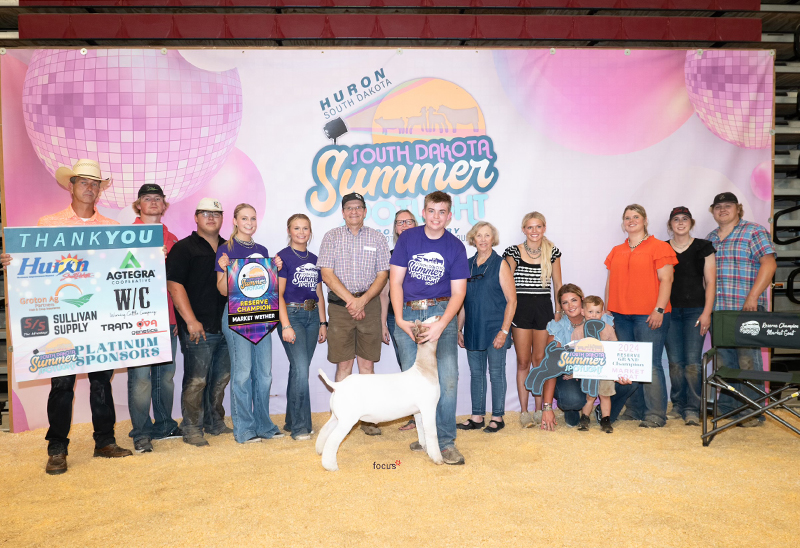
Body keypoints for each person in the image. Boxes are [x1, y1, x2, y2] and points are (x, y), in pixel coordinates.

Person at [39, 160, 132, 474]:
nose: (90, 188)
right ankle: (57, 448)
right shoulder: (48, 224)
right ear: (71, 185)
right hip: (62, 318)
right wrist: (13, 260)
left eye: (95, 183)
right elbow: (33, 265)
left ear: (100, 189)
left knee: (101, 381)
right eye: (84, 182)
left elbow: (124, 267)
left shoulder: (112, 228)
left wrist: (150, 257)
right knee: (62, 384)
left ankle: (105, 442)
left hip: (100, 317)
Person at [390, 191, 469, 465]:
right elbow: (395, 282)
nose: (436, 216)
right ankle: (425, 437)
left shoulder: (456, 247)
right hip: (409, 315)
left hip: (441, 313)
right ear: (423, 213)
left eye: (442, 211)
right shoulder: (408, 239)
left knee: (447, 379)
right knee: (415, 382)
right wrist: (400, 319)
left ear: (449, 216)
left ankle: (445, 442)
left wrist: (441, 325)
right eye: (432, 211)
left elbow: (459, 293)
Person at [318, 192, 390, 436]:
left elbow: (383, 275)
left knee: (367, 364)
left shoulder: (377, 237)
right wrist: (352, 301)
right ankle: (340, 417)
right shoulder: (331, 237)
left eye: (358, 207)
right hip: (340, 308)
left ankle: (369, 418)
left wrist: (362, 301)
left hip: (370, 306)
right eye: (349, 207)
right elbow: (326, 274)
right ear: (342, 212)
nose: (354, 211)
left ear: (365, 211)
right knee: (344, 364)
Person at [215, 203, 284, 443]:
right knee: (242, 374)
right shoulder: (225, 249)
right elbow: (222, 289)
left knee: (264, 374)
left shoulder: (262, 249)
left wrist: (276, 270)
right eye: (244, 218)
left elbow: (267, 287)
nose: (249, 223)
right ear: (235, 221)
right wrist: (225, 269)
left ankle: (264, 425)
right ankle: (244, 429)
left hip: (261, 315)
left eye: (253, 218)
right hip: (236, 316)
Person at [706, 192, 776, 426]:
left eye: (728, 205)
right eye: (718, 206)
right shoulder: (710, 238)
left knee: (748, 361)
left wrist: (753, 296)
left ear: (738, 208)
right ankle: (728, 408)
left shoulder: (753, 231)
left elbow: (769, 263)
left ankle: (752, 411)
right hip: (719, 311)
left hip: (747, 309)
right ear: (713, 211)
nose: (723, 209)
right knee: (725, 362)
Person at [605, 204, 677, 428]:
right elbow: (610, 282)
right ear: (623, 223)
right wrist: (608, 311)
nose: (631, 221)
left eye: (636, 217)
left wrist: (659, 309)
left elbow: (667, 279)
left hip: (649, 315)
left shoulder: (659, 247)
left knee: (651, 364)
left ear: (645, 220)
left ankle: (655, 414)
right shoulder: (616, 250)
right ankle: (634, 409)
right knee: (629, 365)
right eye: (627, 217)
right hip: (621, 315)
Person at [166, 197, 231, 447]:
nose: (211, 217)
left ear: (222, 218)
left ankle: (214, 421)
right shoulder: (183, 248)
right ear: (196, 217)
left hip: (227, 326)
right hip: (197, 326)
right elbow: (174, 285)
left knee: (220, 378)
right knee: (197, 380)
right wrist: (190, 320)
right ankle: (191, 427)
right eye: (205, 213)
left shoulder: (229, 247)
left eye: (216, 213)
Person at [127, 184, 182, 453]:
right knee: (141, 378)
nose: (152, 202)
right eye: (146, 198)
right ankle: (141, 431)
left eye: (157, 198)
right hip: (135, 319)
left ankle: (164, 425)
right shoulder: (124, 236)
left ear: (164, 205)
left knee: (166, 376)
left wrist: (177, 317)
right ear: (138, 205)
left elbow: (177, 281)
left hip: (167, 317)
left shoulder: (172, 239)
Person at [543, 284, 636, 432]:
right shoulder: (558, 327)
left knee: (631, 380)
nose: (570, 306)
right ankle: (573, 408)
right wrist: (547, 407)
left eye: (574, 300)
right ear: (561, 306)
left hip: (601, 370)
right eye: (565, 302)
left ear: (582, 301)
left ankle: (604, 414)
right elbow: (551, 365)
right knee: (573, 400)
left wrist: (619, 371)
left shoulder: (604, 320)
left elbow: (615, 349)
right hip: (571, 375)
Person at [503, 211, 563, 428]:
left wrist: (558, 312)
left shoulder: (552, 252)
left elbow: (558, 284)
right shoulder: (513, 252)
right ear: (524, 229)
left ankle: (539, 409)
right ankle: (524, 411)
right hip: (521, 310)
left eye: (538, 226)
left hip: (544, 310)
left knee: (539, 361)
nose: (534, 231)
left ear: (544, 228)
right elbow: (507, 284)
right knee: (523, 362)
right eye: (530, 227)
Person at [456, 222, 517, 433]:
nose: (483, 239)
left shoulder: (501, 264)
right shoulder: (466, 265)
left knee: (497, 373)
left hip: (495, 329)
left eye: (487, 235)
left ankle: (498, 417)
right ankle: (477, 416)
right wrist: (458, 329)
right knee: (476, 374)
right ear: (473, 239)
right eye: (479, 235)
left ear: (493, 239)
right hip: (473, 327)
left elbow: (512, 301)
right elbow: (462, 301)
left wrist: (504, 331)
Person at [277, 214, 328, 441]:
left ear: (310, 231)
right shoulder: (282, 258)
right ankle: (300, 426)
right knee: (300, 369)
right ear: (289, 230)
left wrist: (323, 322)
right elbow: (278, 294)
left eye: (305, 228)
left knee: (299, 369)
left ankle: (291, 421)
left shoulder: (316, 259)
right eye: (296, 228)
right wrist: (286, 324)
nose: (301, 232)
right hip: (292, 316)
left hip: (312, 317)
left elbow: (319, 294)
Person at [665, 206, 716, 426]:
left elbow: (711, 282)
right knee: (675, 363)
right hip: (670, 312)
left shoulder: (703, 247)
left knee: (693, 363)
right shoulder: (662, 248)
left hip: (696, 311)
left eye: (685, 219)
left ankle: (693, 408)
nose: (680, 222)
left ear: (691, 223)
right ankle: (677, 405)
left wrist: (707, 312)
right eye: (676, 219)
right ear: (670, 224)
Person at [379, 209, 419, 431]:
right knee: (407, 368)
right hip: (397, 319)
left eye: (408, 221)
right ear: (395, 228)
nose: (404, 226)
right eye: (400, 222)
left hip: (423, 317)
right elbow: (385, 293)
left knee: (427, 368)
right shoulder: (391, 255)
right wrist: (383, 322)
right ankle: (414, 416)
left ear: (416, 224)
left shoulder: (427, 250)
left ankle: (430, 414)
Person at [581, 295, 623, 433]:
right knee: (590, 396)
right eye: (590, 311)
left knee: (605, 395)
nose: (594, 315)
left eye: (598, 312)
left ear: (602, 313)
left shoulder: (608, 329)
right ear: (583, 312)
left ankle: (606, 420)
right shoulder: (579, 330)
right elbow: (574, 352)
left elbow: (615, 347)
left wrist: (615, 369)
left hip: (606, 370)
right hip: (588, 370)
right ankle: (584, 419)